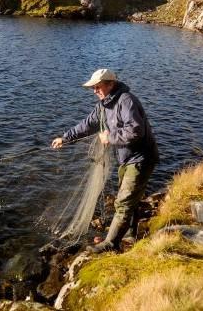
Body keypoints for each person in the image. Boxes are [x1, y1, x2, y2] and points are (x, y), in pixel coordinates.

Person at [51, 68, 159, 253]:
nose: (94, 91)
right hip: (126, 159)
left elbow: (136, 130)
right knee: (129, 199)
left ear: (111, 84)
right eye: (93, 88)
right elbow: (88, 124)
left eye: (98, 86)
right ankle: (130, 235)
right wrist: (65, 138)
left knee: (124, 202)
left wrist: (110, 138)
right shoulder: (103, 105)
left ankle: (110, 244)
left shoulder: (126, 100)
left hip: (142, 158)